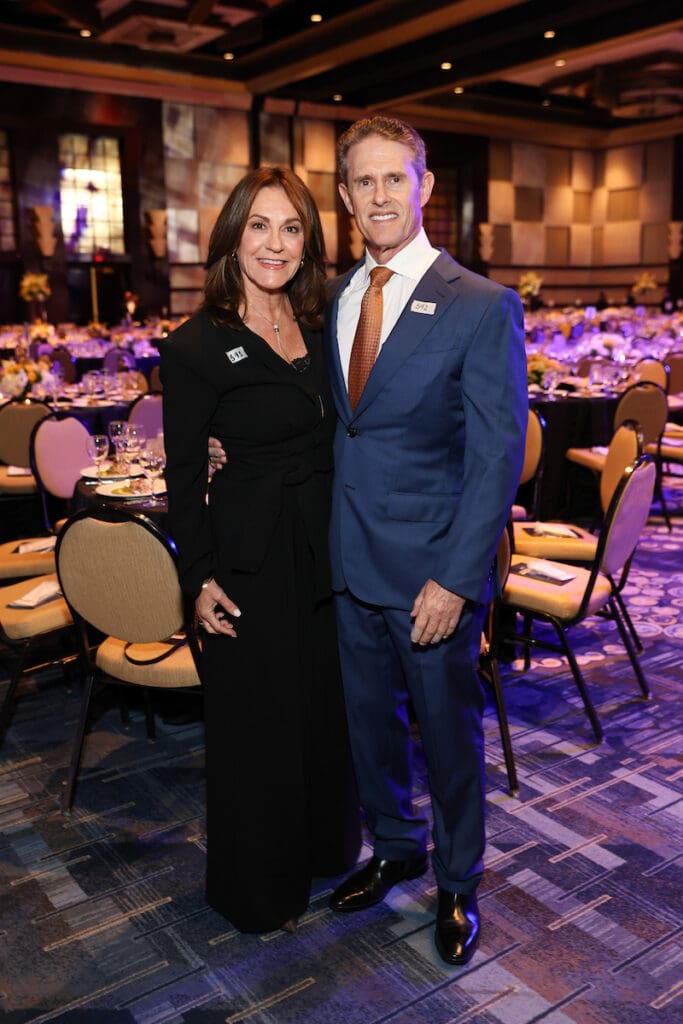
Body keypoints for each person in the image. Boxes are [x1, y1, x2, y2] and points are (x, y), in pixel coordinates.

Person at [210, 116, 527, 965]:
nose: (380, 195)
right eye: (363, 182)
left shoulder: (481, 304)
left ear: (424, 187)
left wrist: (458, 580)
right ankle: (394, 846)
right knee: (367, 734)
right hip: (341, 569)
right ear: (345, 198)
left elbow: (496, 461)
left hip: (431, 579)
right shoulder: (331, 298)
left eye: (396, 178)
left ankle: (458, 882)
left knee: (448, 738)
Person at [159, 166, 360, 935]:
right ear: (232, 235)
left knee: (321, 709)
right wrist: (197, 576)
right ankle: (256, 890)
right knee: (258, 723)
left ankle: (324, 851)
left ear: (307, 241)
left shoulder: (322, 323)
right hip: (249, 557)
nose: (274, 244)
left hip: (325, 547)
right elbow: (182, 472)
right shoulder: (196, 343)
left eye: (291, 228)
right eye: (259, 227)